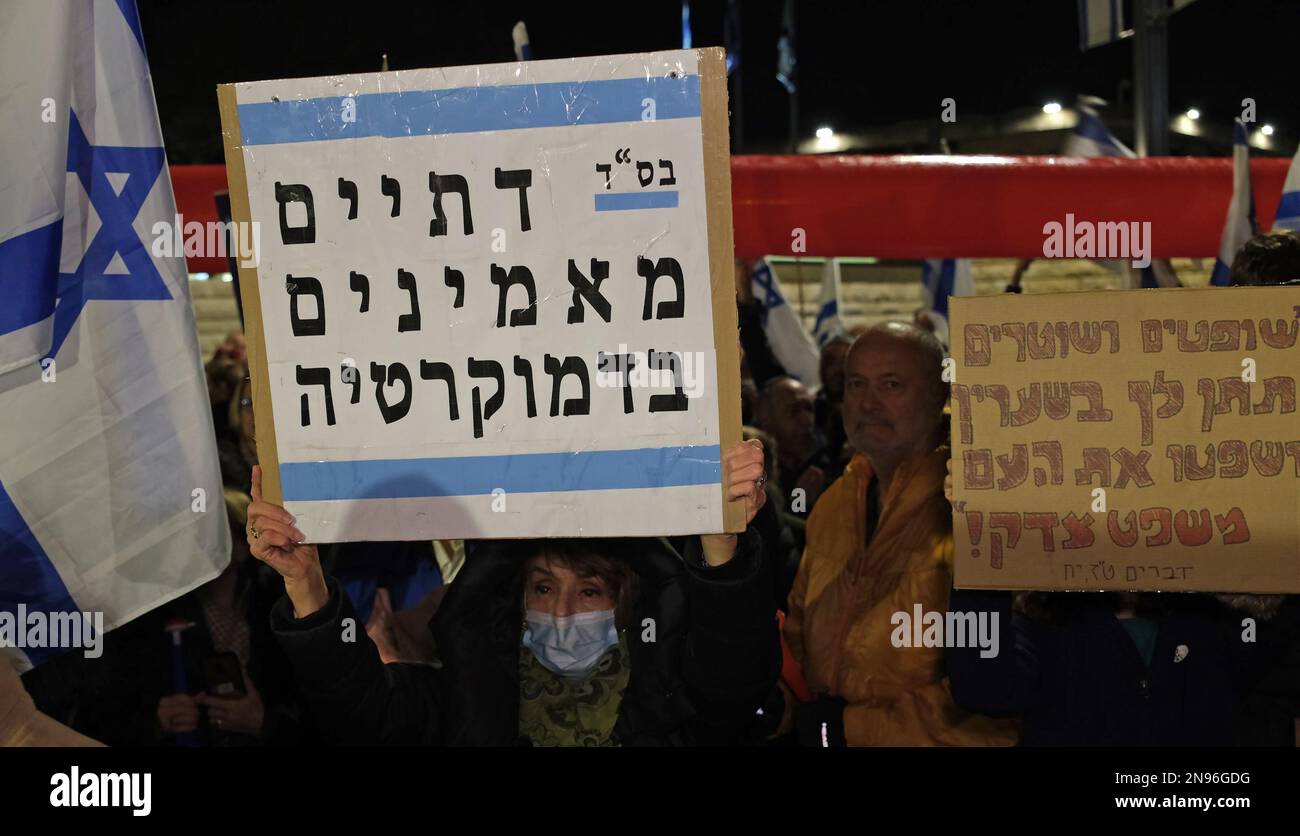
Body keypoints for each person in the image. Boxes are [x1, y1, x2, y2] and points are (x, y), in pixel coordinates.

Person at [247, 440, 781, 746]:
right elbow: (362, 710)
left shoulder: (675, 699)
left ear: (627, 604)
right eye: (544, 587)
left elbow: (733, 677)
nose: (563, 611)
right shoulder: (472, 691)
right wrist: (307, 586)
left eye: (590, 590)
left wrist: (720, 544)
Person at [779, 323, 1017, 746]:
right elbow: (799, 631)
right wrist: (786, 703)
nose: (867, 403)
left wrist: (848, 729)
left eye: (891, 384)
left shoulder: (979, 505)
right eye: (856, 384)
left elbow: (992, 699)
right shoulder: (835, 503)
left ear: (941, 396)